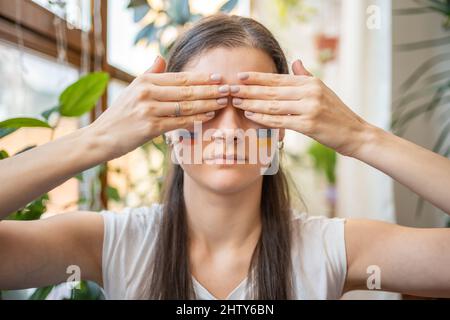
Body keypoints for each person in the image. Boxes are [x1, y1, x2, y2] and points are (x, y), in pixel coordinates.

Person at [0, 14, 449, 300]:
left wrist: (360, 137)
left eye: (253, 108)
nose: (230, 131)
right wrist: (96, 140)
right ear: (169, 132)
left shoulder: (332, 248)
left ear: (279, 131)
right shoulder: (110, 242)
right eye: (203, 107)